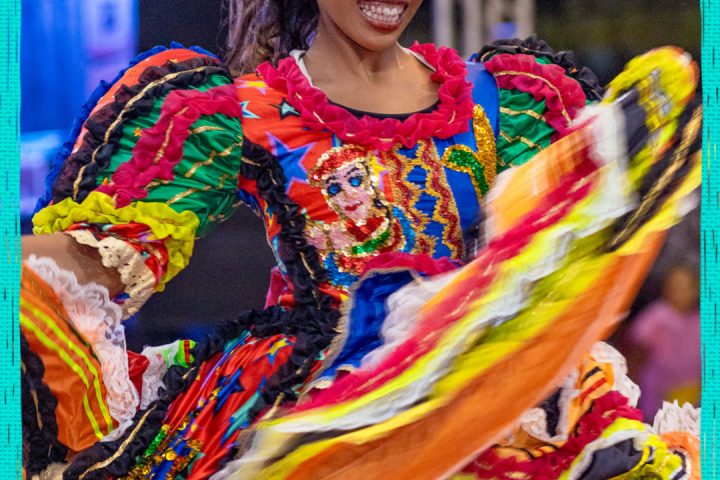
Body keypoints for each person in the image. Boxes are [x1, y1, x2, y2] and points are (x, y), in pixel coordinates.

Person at [20, 0, 702, 478]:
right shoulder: (240, 111)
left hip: (486, 391)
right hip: (317, 401)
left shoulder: (504, 99)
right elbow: (95, 258)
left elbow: (549, 255)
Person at [630, 264, 701, 417]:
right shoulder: (655, 316)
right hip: (658, 389)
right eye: (674, 286)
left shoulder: (700, 320)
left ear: (696, 290)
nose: (679, 292)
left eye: (685, 287)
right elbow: (637, 352)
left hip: (692, 389)